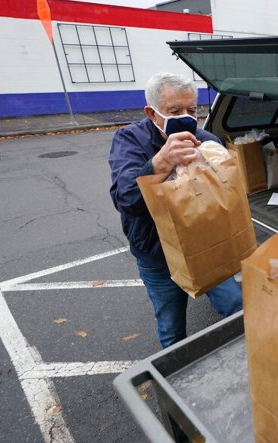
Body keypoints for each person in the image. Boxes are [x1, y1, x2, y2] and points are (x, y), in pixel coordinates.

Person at [108, 72, 242, 348]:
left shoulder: (206, 141)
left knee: (237, 307)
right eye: (174, 110)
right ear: (152, 113)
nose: (186, 116)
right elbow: (127, 200)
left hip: (207, 248)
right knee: (171, 327)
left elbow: (226, 197)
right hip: (158, 255)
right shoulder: (130, 140)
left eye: (191, 110)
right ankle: (172, 379)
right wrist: (160, 163)